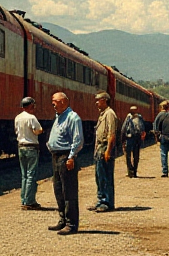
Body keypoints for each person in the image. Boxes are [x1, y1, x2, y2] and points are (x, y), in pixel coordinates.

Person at [46, 92, 83, 235]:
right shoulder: (59, 117)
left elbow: (77, 140)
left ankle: (71, 224)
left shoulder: (73, 117)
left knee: (69, 191)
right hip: (56, 157)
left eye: (54, 101)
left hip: (66, 156)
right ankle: (62, 220)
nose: (52, 104)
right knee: (58, 190)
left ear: (63, 102)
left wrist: (71, 157)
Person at [90, 91, 119, 212]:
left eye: (98, 100)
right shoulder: (103, 114)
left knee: (105, 176)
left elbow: (111, 134)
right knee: (99, 176)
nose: (96, 102)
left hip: (105, 148)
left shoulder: (110, 114)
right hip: (100, 148)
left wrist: (108, 151)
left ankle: (106, 202)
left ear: (105, 100)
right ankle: (100, 200)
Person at [14, 96, 44, 210]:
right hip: (31, 147)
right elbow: (37, 130)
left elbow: (16, 131)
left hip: (21, 147)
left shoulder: (17, 117)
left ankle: (24, 199)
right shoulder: (32, 117)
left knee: (24, 175)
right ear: (31, 105)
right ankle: (30, 201)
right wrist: (41, 131)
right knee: (31, 174)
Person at [121, 106, 146, 177]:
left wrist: (122, 139)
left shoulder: (129, 118)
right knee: (135, 155)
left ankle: (131, 171)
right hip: (135, 138)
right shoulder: (139, 118)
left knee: (129, 155)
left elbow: (124, 128)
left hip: (131, 138)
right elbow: (142, 128)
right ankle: (133, 171)